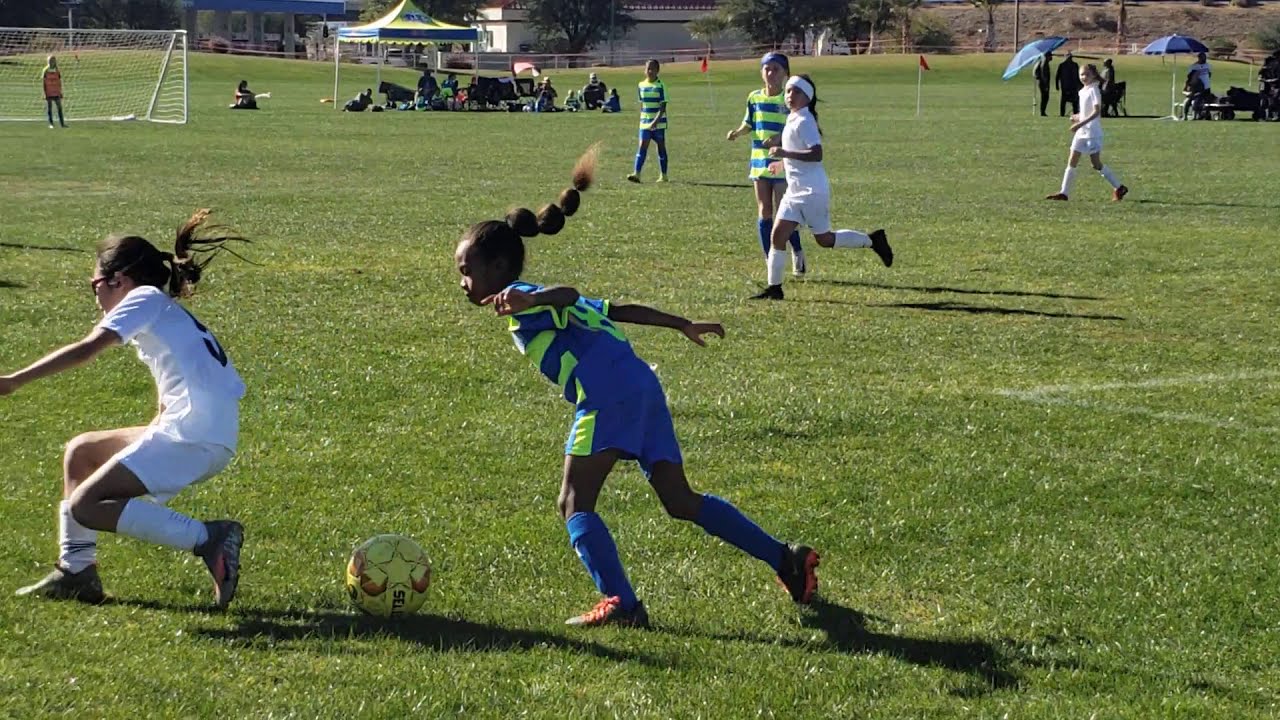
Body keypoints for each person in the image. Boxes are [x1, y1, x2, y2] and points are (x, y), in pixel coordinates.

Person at [454, 146, 821, 627]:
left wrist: (528, 299)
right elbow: (615, 309)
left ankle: (623, 606)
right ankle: (787, 559)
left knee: (572, 502)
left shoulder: (523, 296)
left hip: (610, 398)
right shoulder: (526, 296)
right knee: (680, 501)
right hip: (642, 387)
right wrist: (681, 323)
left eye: (466, 271)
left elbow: (563, 294)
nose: (462, 282)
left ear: (499, 269)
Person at [2, 210, 248, 608]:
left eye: (94, 285)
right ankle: (77, 572)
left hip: (194, 434)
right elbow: (186, 373)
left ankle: (209, 538)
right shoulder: (162, 310)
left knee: (87, 503)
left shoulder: (143, 297)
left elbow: (87, 349)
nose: (96, 295)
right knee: (82, 452)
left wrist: (13, 380)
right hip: (202, 430)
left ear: (120, 280)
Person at [751, 76, 892, 301]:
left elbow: (817, 154)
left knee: (825, 240)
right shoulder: (793, 118)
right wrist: (782, 162)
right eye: (787, 91)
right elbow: (795, 150)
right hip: (794, 191)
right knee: (777, 236)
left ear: (808, 97)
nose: (789, 96)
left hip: (811, 192)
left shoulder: (805, 121)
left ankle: (873, 240)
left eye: (795, 92)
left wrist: (784, 154)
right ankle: (774, 288)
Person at [726, 52, 807, 277]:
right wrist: (737, 133)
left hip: (781, 161)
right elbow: (749, 122)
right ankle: (769, 258)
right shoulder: (754, 97)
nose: (770, 73)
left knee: (784, 212)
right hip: (759, 161)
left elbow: (796, 127)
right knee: (765, 211)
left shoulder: (788, 99)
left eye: (776, 70)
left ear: (785, 74)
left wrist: (779, 138)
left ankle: (797, 251)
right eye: (767, 69)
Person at [1046, 64, 1129, 203]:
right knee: (1071, 162)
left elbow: (1096, 112)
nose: (1083, 77)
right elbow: (1086, 112)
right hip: (1081, 132)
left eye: (1086, 74)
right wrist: (1077, 116)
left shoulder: (1094, 90)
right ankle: (1064, 193)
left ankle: (1119, 187)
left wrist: (1079, 123)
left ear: (1093, 75)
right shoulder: (1082, 91)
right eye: (1081, 75)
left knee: (1096, 164)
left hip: (1092, 133)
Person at [627, 59, 668, 183]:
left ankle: (664, 175)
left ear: (657, 71)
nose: (650, 71)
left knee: (660, 147)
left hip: (658, 123)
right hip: (645, 122)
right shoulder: (641, 85)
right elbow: (642, 105)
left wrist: (655, 122)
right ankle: (637, 174)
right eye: (647, 69)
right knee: (642, 146)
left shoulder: (661, 86)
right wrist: (643, 120)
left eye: (652, 69)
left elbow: (662, 107)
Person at [1183, 52, 1212, 120]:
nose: (1204, 59)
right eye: (1203, 58)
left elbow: (1209, 74)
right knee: (1192, 100)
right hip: (1196, 87)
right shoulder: (1194, 67)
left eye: (1205, 57)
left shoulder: (1208, 65)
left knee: (1207, 102)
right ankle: (1189, 115)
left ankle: (1205, 114)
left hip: (1206, 87)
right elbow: (1189, 78)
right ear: (1199, 58)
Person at [42, 55, 66, 129]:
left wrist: (60, 91)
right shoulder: (45, 70)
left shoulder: (57, 70)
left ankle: (62, 124)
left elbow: (59, 81)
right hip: (48, 91)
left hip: (56, 91)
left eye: (53, 60)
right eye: (50, 60)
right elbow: (43, 82)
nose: (51, 62)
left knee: (59, 107)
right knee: (49, 108)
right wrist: (44, 92)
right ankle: (51, 123)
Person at [1056, 51, 1081, 117]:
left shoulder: (1075, 65)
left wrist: (1080, 85)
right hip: (1065, 86)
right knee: (1063, 101)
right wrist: (1057, 85)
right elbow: (1057, 76)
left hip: (1073, 86)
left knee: (1075, 101)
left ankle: (1075, 114)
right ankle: (1062, 114)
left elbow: (1078, 76)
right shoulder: (1061, 65)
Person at [1034, 52, 1053, 117]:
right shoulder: (1044, 63)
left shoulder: (1044, 62)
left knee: (1045, 97)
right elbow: (1044, 75)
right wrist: (1046, 86)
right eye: (1050, 56)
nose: (1051, 57)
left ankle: (1043, 111)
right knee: (1045, 97)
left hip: (1042, 83)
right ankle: (1042, 112)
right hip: (1043, 84)